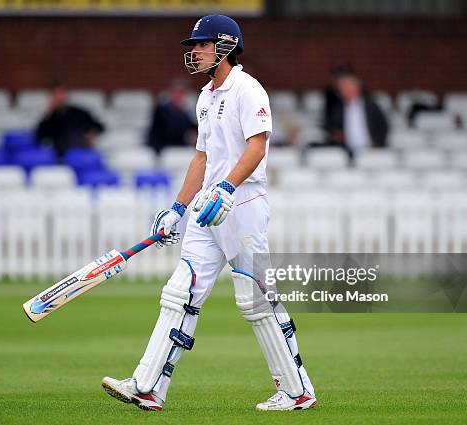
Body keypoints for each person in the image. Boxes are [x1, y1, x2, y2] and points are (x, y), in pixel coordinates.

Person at [101, 15, 317, 412]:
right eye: (192, 46)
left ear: (225, 47)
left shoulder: (247, 89)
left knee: (254, 299)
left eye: (200, 45)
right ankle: (147, 387)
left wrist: (227, 187)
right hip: (206, 208)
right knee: (179, 292)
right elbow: (201, 157)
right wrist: (177, 207)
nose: (193, 52)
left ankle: (297, 391)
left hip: (243, 204)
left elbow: (257, 146)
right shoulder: (205, 96)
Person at [323, 65, 389, 156]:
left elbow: (383, 126)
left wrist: (378, 143)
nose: (343, 92)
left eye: (347, 89)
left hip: (371, 150)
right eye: (342, 90)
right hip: (348, 152)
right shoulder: (338, 108)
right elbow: (331, 127)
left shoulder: (371, 106)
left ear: (356, 89)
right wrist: (337, 134)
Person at [35, 83, 105, 160]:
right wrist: (47, 116)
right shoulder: (49, 118)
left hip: (81, 151)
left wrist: (92, 133)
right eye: (56, 94)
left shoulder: (78, 113)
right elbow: (39, 137)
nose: (59, 97)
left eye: (61, 93)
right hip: (60, 155)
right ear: (51, 97)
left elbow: (99, 127)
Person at [147, 79, 198, 156]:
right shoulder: (162, 110)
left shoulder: (184, 112)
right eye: (177, 92)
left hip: (176, 148)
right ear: (171, 93)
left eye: (182, 93)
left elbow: (192, 126)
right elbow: (170, 132)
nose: (179, 96)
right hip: (162, 148)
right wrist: (187, 139)